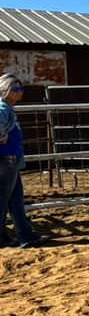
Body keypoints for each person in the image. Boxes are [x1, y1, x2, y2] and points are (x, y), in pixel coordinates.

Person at [0, 74, 47, 248]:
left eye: (21, 88)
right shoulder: (3, 107)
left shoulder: (7, 107)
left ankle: (25, 235)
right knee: (4, 199)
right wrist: (2, 137)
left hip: (10, 159)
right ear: (5, 90)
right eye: (15, 89)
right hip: (7, 158)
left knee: (15, 200)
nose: (20, 92)